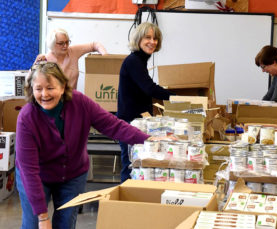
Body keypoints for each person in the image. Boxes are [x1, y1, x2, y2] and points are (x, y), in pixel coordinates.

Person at [15, 62, 164, 229]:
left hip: (72, 174)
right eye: (38, 89)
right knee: (33, 224)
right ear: (31, 89)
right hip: (37, 176)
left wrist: (149, 140)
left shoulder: (80, 103)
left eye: (50, 88)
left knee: (65, 224)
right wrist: (42, 217)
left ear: (63, 87)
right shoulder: (27, 118)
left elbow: (113, 125)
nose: (44, 94)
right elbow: (29, 170)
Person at [116, 22, 176, 183]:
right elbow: (149, 88)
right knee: (131, 165)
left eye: (155, 38)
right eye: (148, 37)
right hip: (130, 122)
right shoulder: (134, 61)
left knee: (138, 166)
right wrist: (177, 98)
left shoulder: (140, 61)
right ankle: (123, 204)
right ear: (138, 39)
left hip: (137, 121)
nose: (152, 41)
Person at [35, 28, 107, 89]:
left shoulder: (73, 51)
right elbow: (31, 81)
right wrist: (35, 65)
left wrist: (106, 57)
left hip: (72, 99)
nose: (65, 46)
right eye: (61, 43)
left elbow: (94, 45)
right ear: (52, 44)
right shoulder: (44, 59)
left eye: (67, 42)